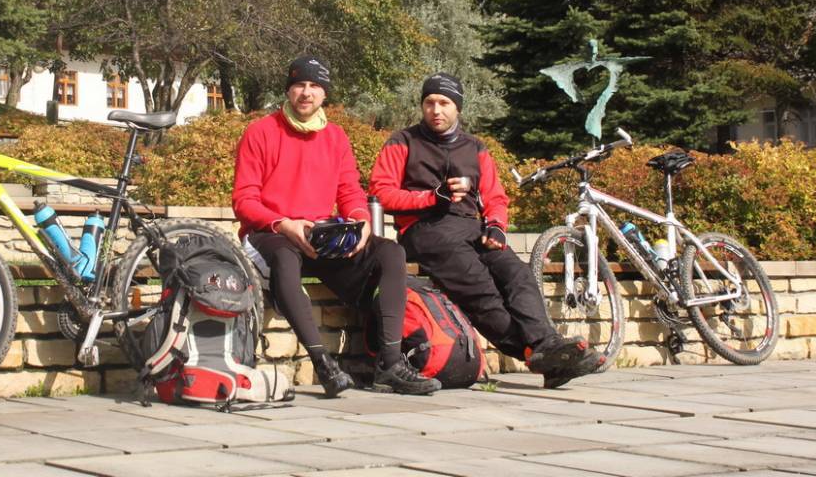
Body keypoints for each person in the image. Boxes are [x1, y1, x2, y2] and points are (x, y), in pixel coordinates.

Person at [369, 72, 602, 388]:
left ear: (458, 108)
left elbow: (495, 197)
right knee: (481, 288)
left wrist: (497, 226)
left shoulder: (475, 147)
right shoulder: (403, 141)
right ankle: (535, 353)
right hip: (424, 230)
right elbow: (381, 192)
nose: (436, 110)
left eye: (444, 103)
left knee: (518, 274)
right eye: (429, 103)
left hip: (473, 228)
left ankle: (547, 347)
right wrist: (431, 197)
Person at [233, 55, 440, 397]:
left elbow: (349, 191)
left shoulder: (336, 137)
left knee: (390, 252)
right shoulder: (260, 132)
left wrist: (360, 221)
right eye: (299, 84)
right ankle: (323, 364)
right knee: (284, 257)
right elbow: (244, 201)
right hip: (270, 233)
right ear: (288, 89)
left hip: (321, 235)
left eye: (315, 86)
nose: (306, 92)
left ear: (324, 93)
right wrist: (284, 224)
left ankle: (390, 365)